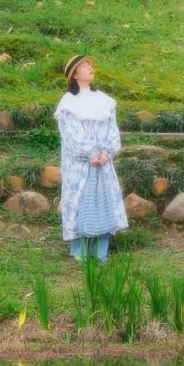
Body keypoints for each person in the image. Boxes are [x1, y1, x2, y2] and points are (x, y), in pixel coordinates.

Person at [55, 54, 128, 262]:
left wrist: (106, 152)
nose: (89, 68)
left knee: (102, 199)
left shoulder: (103, 100)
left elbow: (111, 129)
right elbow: (70, 134)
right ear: (75, 75)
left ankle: (101, 251)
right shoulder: (69, 103)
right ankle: (80, 251)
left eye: (90, 65)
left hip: (102, 161)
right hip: (80, 163)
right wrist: (89, 154)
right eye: (84, 66)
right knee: (79, 200)